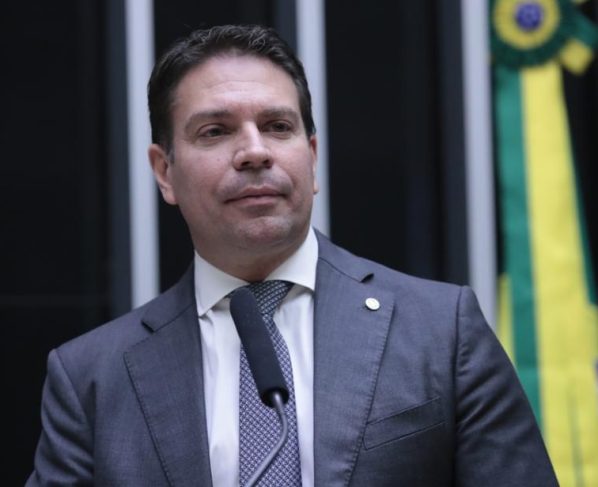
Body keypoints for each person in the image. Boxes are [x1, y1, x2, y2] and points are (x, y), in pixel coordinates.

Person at [27, 24, 558, 486]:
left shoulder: (442, 332)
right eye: (215, 131)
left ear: (312, 155)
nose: (255, 151)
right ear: (165, 172)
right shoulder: (92, 377)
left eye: (278, 127)